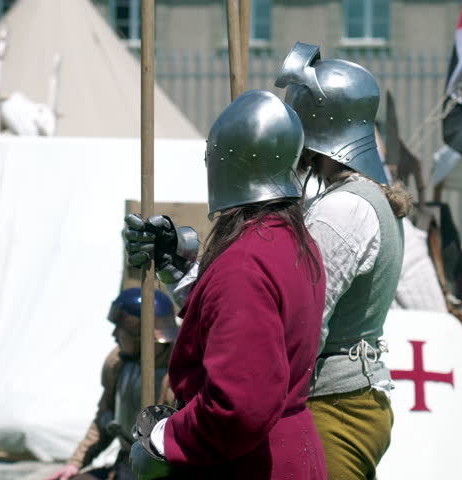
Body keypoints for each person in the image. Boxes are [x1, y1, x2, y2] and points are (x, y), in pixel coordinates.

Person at [126, 42, 410, 480]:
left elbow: (282, 329)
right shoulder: (348, 203)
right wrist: (183, 272)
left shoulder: (341, 210)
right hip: (320, 405)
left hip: (326, 407)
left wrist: (171, 437)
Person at [127, 89, 327, 479]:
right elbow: (235, 325)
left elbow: (240, 406)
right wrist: (179, 271)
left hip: (247, 463)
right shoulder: (292, 240)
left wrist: (164, 441)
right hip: (287, 451)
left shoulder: (245, 264)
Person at [44, 288, 178, 480]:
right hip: (126, 465)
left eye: (120, 329)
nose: (114, 334)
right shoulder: (117, 362)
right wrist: (75, 463)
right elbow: (105, 419)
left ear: (140, 334)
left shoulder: (180, 373)